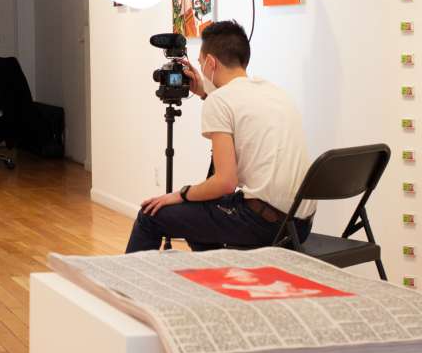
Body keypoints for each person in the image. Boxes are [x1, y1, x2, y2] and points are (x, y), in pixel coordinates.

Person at [125, 20, 316, 253]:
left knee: (150, 215)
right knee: (199, 216)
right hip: (299, 224)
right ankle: (216, 278)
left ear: (210, 62)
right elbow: (239, 109)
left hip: (265, 225)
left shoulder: (220, 101)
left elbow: (225, 183)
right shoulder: (274, 92)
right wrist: (205, 93)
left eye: (200, 63)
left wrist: (181, 194)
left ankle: (122, 289)